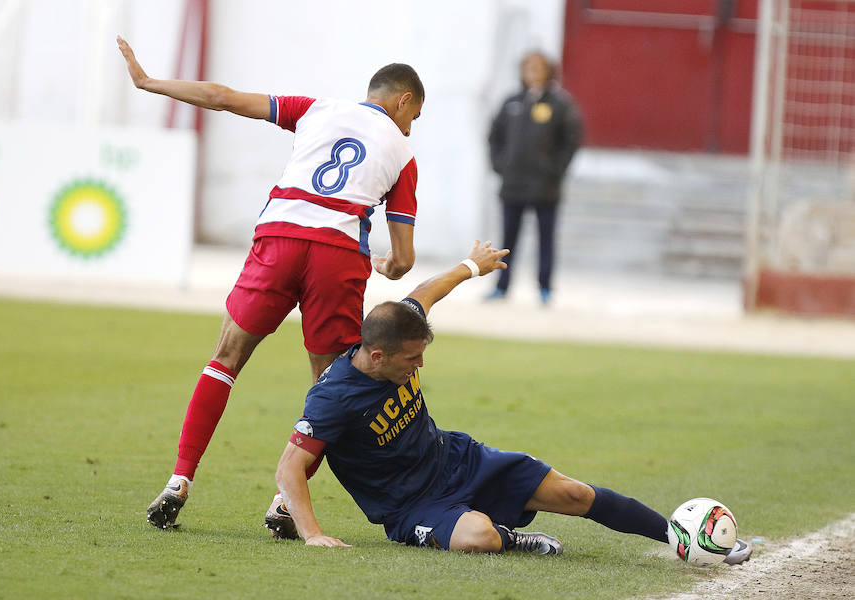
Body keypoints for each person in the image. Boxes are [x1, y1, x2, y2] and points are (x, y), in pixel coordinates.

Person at [273, 241, 752, 564]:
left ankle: (678, 536)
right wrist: (313, 532)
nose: (419, 367)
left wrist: (471, 266)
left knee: (574, 494)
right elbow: (289, 468)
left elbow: (423, 293)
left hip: (457, 459)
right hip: (410, 506)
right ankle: (517, 539)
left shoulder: (398, 327)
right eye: (412, 360)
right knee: (478, 537)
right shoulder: (333, 397)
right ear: (376, 356)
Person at [116, 36, 425, 530]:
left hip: (279, 236)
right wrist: (390, 267)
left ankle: (179, 480)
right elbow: (404, 258)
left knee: (225, 360)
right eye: (414, 116)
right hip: (339, 253)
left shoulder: (315, 109)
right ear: (403, 99)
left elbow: (223, 96)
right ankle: (284, 502)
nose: (411, 127)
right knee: (330, 387)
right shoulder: (403, 153)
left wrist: (149, 82)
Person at [487, 51, 582, 305]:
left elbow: (571, 140)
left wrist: (555, 169)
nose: (533, 73)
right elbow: (494, 136)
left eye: (538, 68)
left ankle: (545, 289)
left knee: (546, 240)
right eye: (528, 67)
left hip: (545, 187)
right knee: (507, 240)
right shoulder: (511, 102)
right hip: (513, 184)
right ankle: (501, 287)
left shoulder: (560, 104)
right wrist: (500, 166)